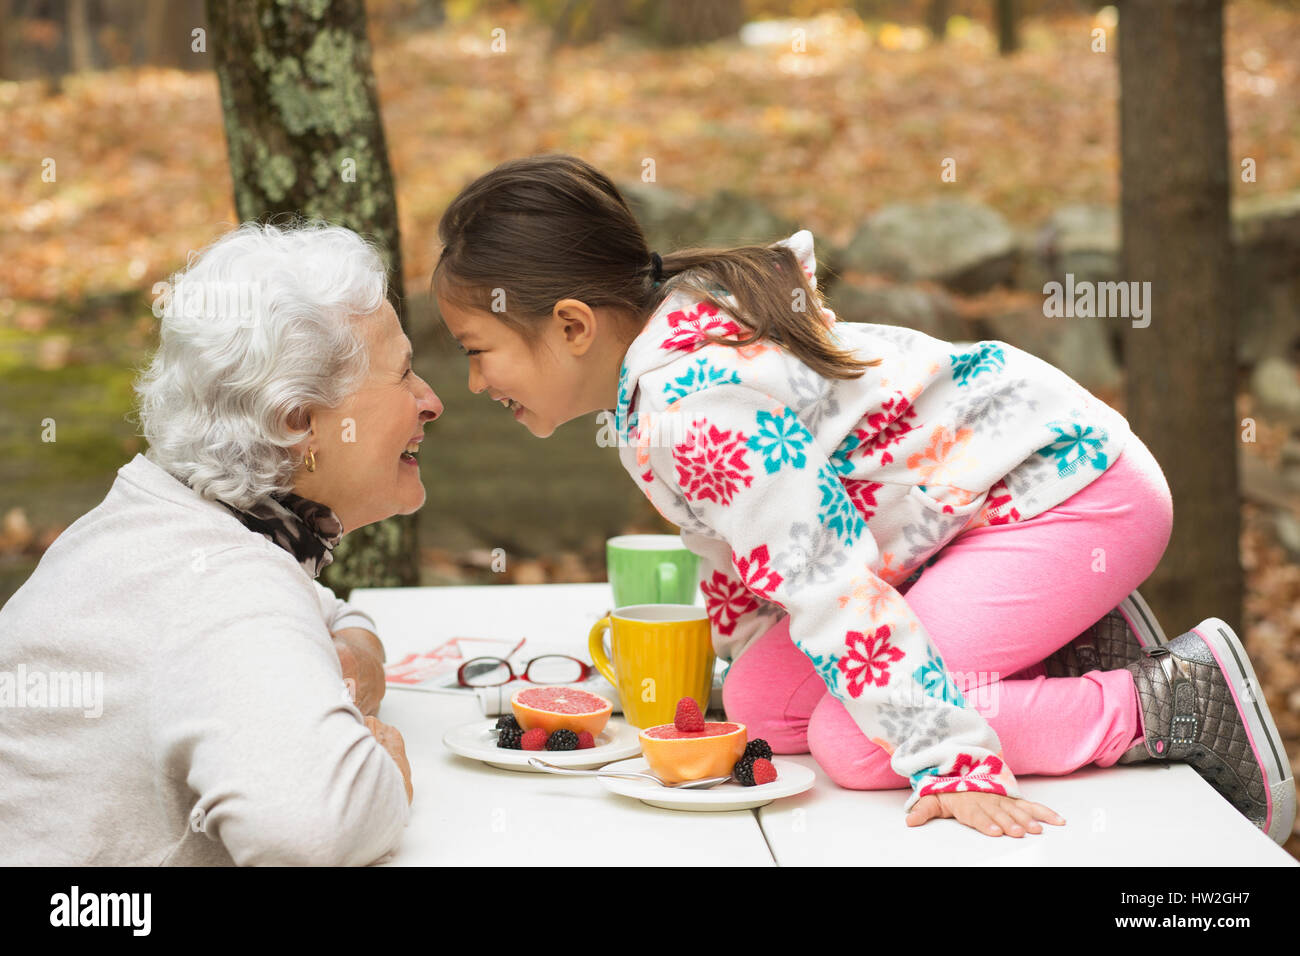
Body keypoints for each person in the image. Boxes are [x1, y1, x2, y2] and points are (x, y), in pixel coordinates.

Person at [429, 153, 1295, 844]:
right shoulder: (653, 384)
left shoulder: (690, 403)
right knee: (764, 708)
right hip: (964, 523)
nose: (470, 382)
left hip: (1069, 493)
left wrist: (949, 758)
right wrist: (723, 677)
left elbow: (827, 582)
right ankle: (1051, 649)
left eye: (478, 349)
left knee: (855, 742)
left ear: (574, 326)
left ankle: (1170, 699)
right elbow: (741, 556)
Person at [0, 220, 441, 865]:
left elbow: (330, 611)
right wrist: (382, 769)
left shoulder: (163, 520)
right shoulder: (227, 582)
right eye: (403, 375)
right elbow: (310, 834)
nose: (430, 402)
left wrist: (350, 662)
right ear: (298, 423)